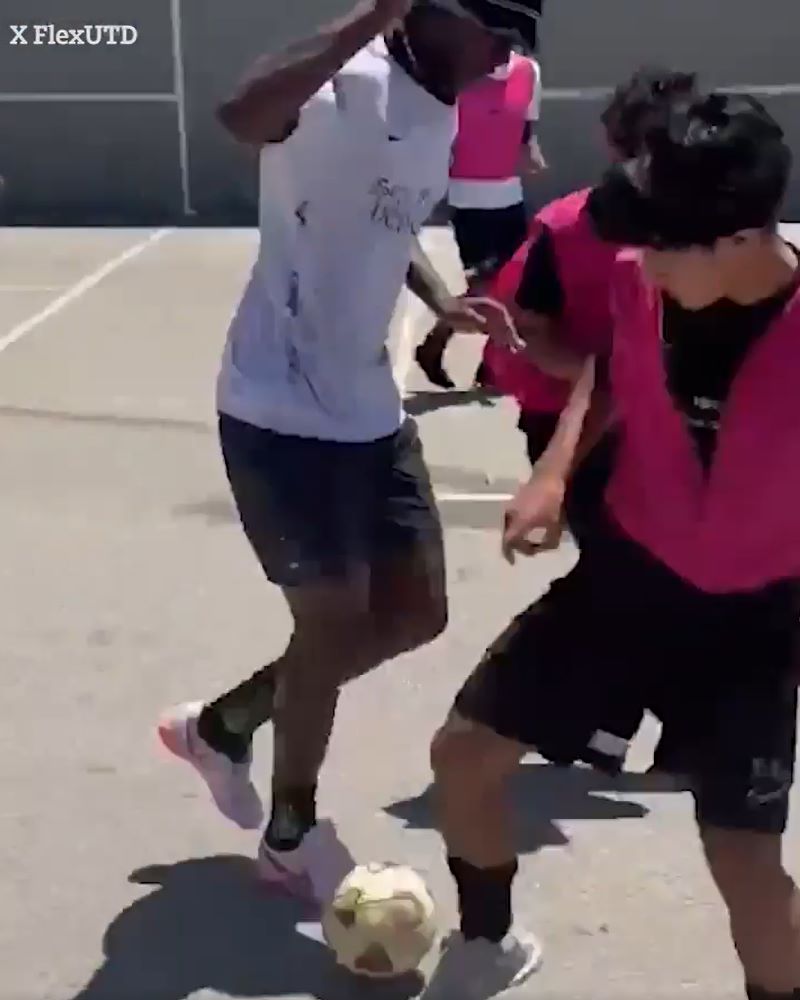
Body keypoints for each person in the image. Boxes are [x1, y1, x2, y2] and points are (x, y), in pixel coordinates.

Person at [157, 0, 541, 902]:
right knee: (330, 622)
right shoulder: (344, 81)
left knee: (414, 614)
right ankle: (290, 836)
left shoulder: (440, 110)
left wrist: (441, 300)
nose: (502, 58)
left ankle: (223, 725)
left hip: (368, 408)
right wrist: (369, 17)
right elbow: (242, 116)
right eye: (496, 33)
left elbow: (385, 220)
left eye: (516, 42)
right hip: (276, 404)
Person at [426, 91, 800, 1000]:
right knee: (463, 757)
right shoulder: (644, 283)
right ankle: (489, 941)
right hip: (629, 580)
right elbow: (609, 373)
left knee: (745, 863)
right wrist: (554, 472)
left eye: (657, 241)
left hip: (756, 621)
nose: (636, 258)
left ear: (740, 238)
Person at [484, 67, 699, 776]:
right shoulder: (568, 227)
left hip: (662, 430)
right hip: (573, 428)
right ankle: (593, 719)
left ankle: (617, 726)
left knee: (663, 579)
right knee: (629, 576)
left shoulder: (708, 233)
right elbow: (531, 331)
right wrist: (609, 385)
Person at [415, 46, 546, 390]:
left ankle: (483, 363)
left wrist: (531, 150)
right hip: (467, 197)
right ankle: (440, 345)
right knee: (485, 287)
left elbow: (525, 129)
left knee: (512, 285)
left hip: (510, 195)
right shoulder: (460, 70)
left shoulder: (528, 72)